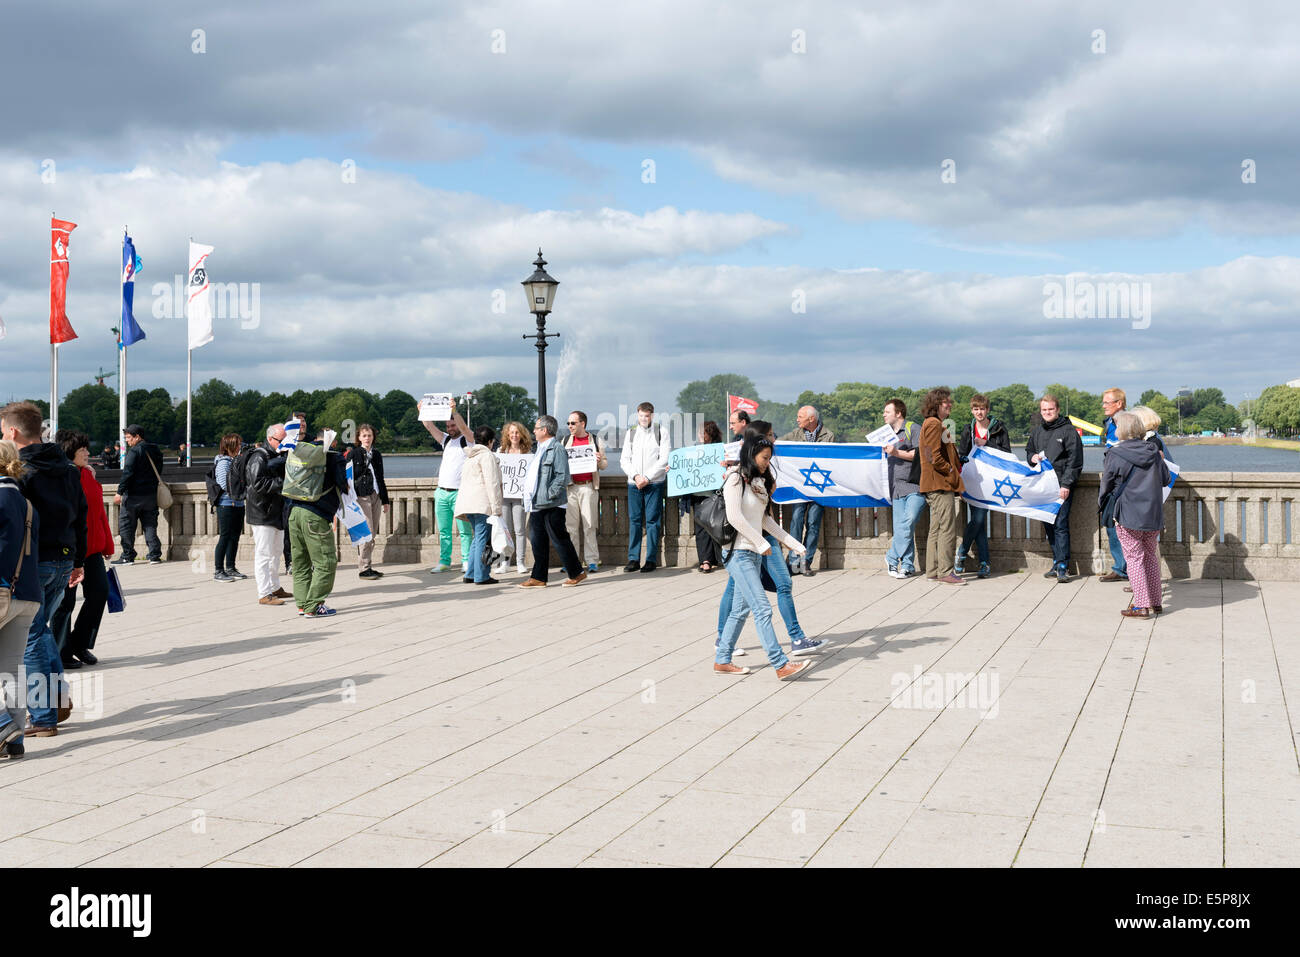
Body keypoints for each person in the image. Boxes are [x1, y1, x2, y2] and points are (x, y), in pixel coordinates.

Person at [0, 402, 85, 737]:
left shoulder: (22, 471)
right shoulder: (65, 467)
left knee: (32, 637)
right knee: (42, 629)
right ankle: (57, 696)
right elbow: (81, 513)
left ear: (13, 431)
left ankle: (44, 715)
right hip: (63, 558)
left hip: (33, 563)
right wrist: (76, 559)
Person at [715, 420, 828, 658]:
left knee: (742, 605)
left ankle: (722, 653)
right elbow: (736, 516)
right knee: (762, 606)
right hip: (743, 547)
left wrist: (794, 543)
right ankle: (781, 659)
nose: (774, 441)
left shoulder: (760, 478)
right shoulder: (737, 477)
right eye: (768, 438)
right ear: (755, 447)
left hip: (758, 545)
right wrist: (762, 542)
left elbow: (765, 518)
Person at [49, 431, 112, 668]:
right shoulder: (60, 478)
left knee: (99, 593)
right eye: (82, 449)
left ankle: (79, 643)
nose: (87, 452)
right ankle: (61, 652)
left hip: (92, 549)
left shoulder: (88, 475)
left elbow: (99, 514)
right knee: (65, 603)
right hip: (67, 550)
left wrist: (107, 543)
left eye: (86, 448)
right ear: (69, 452)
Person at [1099, 412, 1171, 619]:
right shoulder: (1154, 452)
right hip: (1153, 514)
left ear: (1121, 430)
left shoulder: (1115, 453)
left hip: (1129, 513)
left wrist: (1103, 503)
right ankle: (1156, 602)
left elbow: (1107, 484)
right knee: (1150, 557)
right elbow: (1166, 479)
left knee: (1134, 559)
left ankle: (1141, 605)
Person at [1, 440, 44, 758]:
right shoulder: (25, 501)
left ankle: (3, 724)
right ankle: (14, 740)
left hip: (2, 589)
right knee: (12, 669)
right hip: (28, 593)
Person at [284, 428, 348, 617]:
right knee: (326, 561)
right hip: (315, 515)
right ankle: (314, 606)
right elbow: (343, 484)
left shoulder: (302, 453)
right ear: (333, 442)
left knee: (300, 561)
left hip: (294, 512)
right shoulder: (334, 457)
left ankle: (302, 605)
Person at [519, 415, 586, 588]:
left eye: (536, 428)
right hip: (536, 503)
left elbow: (562, 475)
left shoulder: (556, 449)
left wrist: (550, 494)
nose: (533, 430)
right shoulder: (540, 448)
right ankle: (539, 577)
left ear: (545, 430)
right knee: (537, 540)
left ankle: (576, 573)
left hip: (552, 503)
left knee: (559, 538)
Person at [1025, 393, 1084, 583]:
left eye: (1050, 409)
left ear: (1057, 410)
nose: (1047, 412)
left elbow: (1075, 462)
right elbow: (1029, 451)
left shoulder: (1069, 431)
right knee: (1048, 524)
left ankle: (1063, 566)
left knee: (1060, 525)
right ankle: (1056, 560)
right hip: (1042, 487)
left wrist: (1067, 484)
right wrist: (1031, 458)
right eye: (1044, 410)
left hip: (1060, 487)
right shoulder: (1037, 431)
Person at [955, 394, 1011, 578]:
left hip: (992, 482)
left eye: (982, 409)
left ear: (988, 410)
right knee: (979, 521)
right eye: (976, 409)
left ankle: (962, 552)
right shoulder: (967, 430)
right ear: (972, 410)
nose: (979, 412)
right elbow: (961, 456)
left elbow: (1007, 454)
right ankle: (984, 563)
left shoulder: (999, 428)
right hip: (972, 481)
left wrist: (988, 443)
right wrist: (960, 484)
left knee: (979, 519)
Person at [780, 405, 836, 576]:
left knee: (813, 523)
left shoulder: (829, 435)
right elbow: (778, 442)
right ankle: (794, 562)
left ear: (811, 418)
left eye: (800, 416)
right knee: (796, 520)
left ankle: (806, 562)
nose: (797, 420)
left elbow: (831, 459)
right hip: (800, 487)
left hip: (819, 487)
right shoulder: (794, 434)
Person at [420, 399, 474, 574]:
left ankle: (466, 560)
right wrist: (422, 411)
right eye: (448, 426)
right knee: (444, 531)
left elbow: (465, 428)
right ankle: (444, 561)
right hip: (442, 492)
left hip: (460, 493)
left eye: (453, 425)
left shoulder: (468, 440)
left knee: (465, 531)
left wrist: (454, 411)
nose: (451, 428)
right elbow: (429, 427)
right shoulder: (445, 440)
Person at [918, 388, 965, 585]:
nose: (950, 404)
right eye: (946, 402)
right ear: (936, 404)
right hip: (939, 483)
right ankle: (945, 571)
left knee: (936, 528)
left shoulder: (938, 424)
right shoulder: (933, 424)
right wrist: (950, 471)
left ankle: (933, 571)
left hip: (936, 483)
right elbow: (932, 456)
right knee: (947, 528)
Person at [620, 401, 671, 573]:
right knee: (634, 521)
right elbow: (624, 459)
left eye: (646, 416)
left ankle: (650, 559)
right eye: (641, 415)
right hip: (634, 483)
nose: (643, 418)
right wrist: (635, 476)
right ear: (637, 415)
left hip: (654, 483)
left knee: (652, 522)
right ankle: (633, 559)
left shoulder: (661, 432)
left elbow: (664, 458)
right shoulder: (631, 433)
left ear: (652, 416)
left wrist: (647, 477)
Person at [245, 424, 293, 606]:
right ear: (271, 439)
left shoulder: (275, 455)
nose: (284, 444)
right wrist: (283, 482)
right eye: (282, 440)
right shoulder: (258, 457)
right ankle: (264, 593)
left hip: (274, 511)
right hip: (262, 512)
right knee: (264, 553)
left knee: (276, 552)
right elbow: (258, 484)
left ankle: (275, 587)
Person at [454, 426, 505, 585]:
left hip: (467, 504)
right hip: (482, 504)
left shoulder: (470, 456)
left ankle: (470, 573)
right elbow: (492, 483)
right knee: (483, 540)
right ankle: (481, 575)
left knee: (477, 539)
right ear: (490, 442)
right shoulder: (487, 456)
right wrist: (496, 508)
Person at [882, 398, 926, 579]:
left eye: (887, 412)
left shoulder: (913, 428)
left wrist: (896, 452)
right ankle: (907, 565)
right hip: (895, 487)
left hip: (915, 484)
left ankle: (891, 556)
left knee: (909, 521)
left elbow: (920, 454)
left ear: (898, 413)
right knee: (902, 527)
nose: (883, 415)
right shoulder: (884, 433)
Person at [112, 424, 164, 565]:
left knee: (127, 527)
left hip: (133, 496)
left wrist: (119, 492)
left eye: (128, 438)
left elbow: (127, 473)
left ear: (137, 437)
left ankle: (127, 556)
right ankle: (154, 555)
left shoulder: (134, 452)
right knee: (150, 525)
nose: (127, 441)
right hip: (151, 495)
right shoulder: (155, 450)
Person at [563, 410, 607, 574]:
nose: (569, 426)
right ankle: (572, 561)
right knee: (571, 528)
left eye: (573, 423)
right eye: (568, 423)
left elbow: (604, 465)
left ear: (582, 423)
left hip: (588, 486)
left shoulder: (595, 440)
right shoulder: (565, 440)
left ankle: (592, 561)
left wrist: (598, 460)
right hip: (570, 487)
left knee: (589, 525)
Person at [345, 423, 390, 580]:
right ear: (359, 437)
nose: (367, 438)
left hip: (376, 495)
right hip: (361, 496)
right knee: (367, 532)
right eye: (364, 435)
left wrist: (385, 500)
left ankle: (368, 565)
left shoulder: (376, 454)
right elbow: (348, 476)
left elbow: (381, 478)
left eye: (369, 435)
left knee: (373, 532)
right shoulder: (354, 454)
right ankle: (364, 568)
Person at [1098, 387, 1129, 584]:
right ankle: (1121, 568)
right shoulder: (1111, 423)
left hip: (1122, 486)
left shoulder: (1125, 422)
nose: (1103, 406)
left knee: (1121, 529)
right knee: (1112, 527)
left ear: (1119, 404)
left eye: (1107, 402)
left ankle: (1124, 570)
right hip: (1113, 483)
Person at [496, 421, 533, 575]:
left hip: (519, 496)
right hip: (504, 496)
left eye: (517, 432)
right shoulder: (501, 451)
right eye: (511, 432)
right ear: (507, 434)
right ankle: (505, 562)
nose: (514, 435)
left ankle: (520, 562)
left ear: (522, 434)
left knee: (519, 530)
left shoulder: (527, 453)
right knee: (506, 530)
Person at [212, 433, 247, 583]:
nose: (240, 447)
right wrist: (240, 489)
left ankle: (231, 567)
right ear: (229, 446)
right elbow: (223, 483)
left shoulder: (235, 461)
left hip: (238, 503)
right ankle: (219, 570)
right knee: (225, 537)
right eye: (238, 444)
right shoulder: (223, 462)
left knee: (235, 537)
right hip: (226, 504)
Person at [693, 420, 725, 572]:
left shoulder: (721, 450)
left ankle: (718, 558)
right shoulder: (693, 450)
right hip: (698, 494)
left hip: (714, 495)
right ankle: (705, 560)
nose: (699, 435)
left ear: (710, 433)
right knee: (700, 528)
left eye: (702, 432)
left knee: (716, 526)